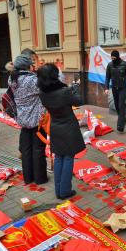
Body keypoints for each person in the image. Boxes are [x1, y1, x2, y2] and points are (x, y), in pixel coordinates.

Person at [37, 63, 85, 199]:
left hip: (55, 127)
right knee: (68, 157)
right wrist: (74, 88)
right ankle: (65, 191)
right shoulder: (64, 92)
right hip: (68, 127)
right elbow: (79, 101)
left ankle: (58, 190)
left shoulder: (42, 93)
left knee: (58, 157)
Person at [10, 55, 48, 185]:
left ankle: (28, 177)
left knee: (26, 150)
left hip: (23, 119)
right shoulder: (31, 80)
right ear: (27, 66)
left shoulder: (12, 79)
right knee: (38, 150)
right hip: (37, 120)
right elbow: (45, 89)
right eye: (32, 64)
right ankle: (40, 178)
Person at [104, 50, 126, 133]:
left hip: (123, 88)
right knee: (117, 106)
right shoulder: (109, 65)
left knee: (121, 105)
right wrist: (106, 87)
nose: (113, 59)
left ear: (118, 57)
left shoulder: (124, 64)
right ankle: (123, 118)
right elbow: (107, 78)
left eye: (114, 58)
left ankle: (120, 125)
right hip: (114, 88)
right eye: (112, 58)